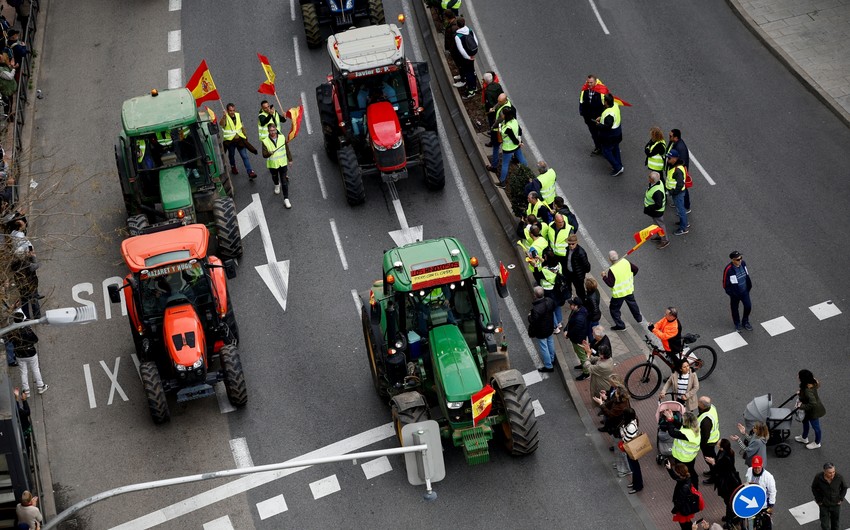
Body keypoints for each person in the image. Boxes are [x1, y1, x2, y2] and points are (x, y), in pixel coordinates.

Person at [7, 310, 47, 396]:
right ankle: (41, 386)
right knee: (35, 369)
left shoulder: (12, 331)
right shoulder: (27, 330)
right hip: (31, 352)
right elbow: (35, 340)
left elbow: (9, 340)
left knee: (23, 372)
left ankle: (26, 391)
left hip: (19, 354)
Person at [601, 250, 643, 331]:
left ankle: (620, 325)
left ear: (609, 259)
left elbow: (610, 284)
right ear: (618, 255)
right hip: (628, 289)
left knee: (614, 309)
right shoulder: (625, 261)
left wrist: (604, 277)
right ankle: (639, 319)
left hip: (618, 294)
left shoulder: (612, 270)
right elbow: (636, 269)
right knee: (633, 304)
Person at [704, 438, 741, 525]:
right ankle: (731, 517)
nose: (717, 442)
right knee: (728, 501)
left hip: (727, 484)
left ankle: (731, 520)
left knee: (729, 502)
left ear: (721, 447)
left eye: (719, 443)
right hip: (729, 481)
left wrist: (713, 463)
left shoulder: (725, 457)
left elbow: (719, 471)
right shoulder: (727, 452)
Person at [665, 411, 701, 489]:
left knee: (684, 473)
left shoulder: (687, 434)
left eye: (683, 419)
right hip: (689, 456)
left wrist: (669, 420)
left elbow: (672, 433)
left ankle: (689, 487)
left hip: (683, 458)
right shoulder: (693, 427)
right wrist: (672, 419)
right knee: (691, 471)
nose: (682, 420)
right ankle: (693, 485)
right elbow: (680, 425)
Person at [221, 103, 258, 179]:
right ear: (227, 111)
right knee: (231, 155)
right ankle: (233, 166)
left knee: (245, 156)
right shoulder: (225, 117)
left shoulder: (238, 115)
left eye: (233, 110)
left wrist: (245, 136)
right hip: (230, 141)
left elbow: (241, 125)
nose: (232, 112)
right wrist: (224, 117)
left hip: (240, 140)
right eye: (230, 111)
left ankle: (250, 172)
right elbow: (222, 124)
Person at [260, 123, 292, 208]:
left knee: (284, 181)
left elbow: (287, 149)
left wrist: (290, 159)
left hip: (282, 163)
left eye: (274, 130)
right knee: (275, 177)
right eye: (270, 131)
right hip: (273, 165)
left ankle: (286, 199)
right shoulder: (265, 141)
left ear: (276, 129)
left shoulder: (282, 137)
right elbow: (264, 154)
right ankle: (277, 185)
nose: (272, 132)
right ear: (268, 131)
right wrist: (269, 153)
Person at [795, 369, 826, 449]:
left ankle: (817, 442)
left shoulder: (808, 390)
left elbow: (813, 403)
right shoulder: (810, 383)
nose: (797, 376)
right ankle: (804, 437)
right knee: (805, 422)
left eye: (799, 375)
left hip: (813, 411)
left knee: (816, 427)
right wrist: (801, 393)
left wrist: (800, 406)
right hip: (808, 409)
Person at [527, 286, 556, 373]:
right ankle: (552, 358)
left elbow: (533, 320)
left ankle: (548, 365)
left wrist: (529, 316)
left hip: (541, 330)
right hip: (550, 326)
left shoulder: (536, 309)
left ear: (535, 295)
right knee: (550, 342)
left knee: (544, 347)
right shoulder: (549, 301)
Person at [496, 106, 527, 188]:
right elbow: (520, 131)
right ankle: (527, 173)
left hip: (508, 148)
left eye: (502, 114)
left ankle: (502, 182)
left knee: (505, 164)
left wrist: (518, 142)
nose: (501, 115)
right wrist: (520, 142)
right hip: (516, 146)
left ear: (505, 115)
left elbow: (512, 138)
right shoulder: (514, 121)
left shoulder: (507, 127)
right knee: (522, 159)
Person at [722, 250, 753, 331]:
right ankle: (737, 324)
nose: (740, 261)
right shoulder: (728, 269)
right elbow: (725, 283)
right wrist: (731, 293)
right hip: (735, 293)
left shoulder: (743, 263)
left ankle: (745, 322)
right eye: (738, 259)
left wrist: (748, 286)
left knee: (748, 306)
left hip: (745, 291)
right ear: (733, 260)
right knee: (735, 308)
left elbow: (747, 275)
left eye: (741, 258)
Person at [812, 463, 847, 530]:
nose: (832, 474)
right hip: (824, 504)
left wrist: (841, 498)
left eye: (833, 472)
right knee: (825, 525)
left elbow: (844, 487)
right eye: (830, 473)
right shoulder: (818, 477)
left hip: (835, 504)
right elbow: (814, 488)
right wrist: (818, 499)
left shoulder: (839, 477)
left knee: (835, 524)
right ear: (824, 471)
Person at [745, 455, 776, 530]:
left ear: (762, 465)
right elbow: (747, 481)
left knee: (766, 523)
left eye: (758, 467)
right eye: (755, 467)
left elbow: (772, 491)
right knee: (752, 521)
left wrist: (771, 505)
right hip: (752, 501)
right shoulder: (749, 470)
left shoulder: (768, 477)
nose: (756, 469)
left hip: (763, 504)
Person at [596, 94, 623, 176]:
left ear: (606, 102)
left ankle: (617, 168)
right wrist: (601, 118)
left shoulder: (609, 114)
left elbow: (608, 126)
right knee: (615, 148)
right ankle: (619, 164)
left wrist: (599, 124)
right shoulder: (615, 105)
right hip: (618, 133)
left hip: (611, 136)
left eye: (604, 101)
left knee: (606, 152)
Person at [666, 461, 698, 529]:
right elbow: (675, 477)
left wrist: (674, 511)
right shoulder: (686, 478)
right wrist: (670, 469)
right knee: (687, 522)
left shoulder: (684, 487)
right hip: (685, 507)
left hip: (683, 509)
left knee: (684, 525)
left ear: (680, 474)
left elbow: (680, 502)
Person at [486, 93, 513, 174]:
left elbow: (498, 121)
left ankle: (494, 166)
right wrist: (493, 108)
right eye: (498, 100)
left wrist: (492, 127)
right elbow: (498, 104)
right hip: (504, 128)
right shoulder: (506, 102)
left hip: (498, 130)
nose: (498, 102)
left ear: (504, 101)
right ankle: (514, 157)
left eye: (500, 101)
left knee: (496, 147)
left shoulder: (502, 113)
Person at [581, 330, 613, 398]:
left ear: (603, 355)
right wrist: (588, 351)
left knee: (600, 399)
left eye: (600, 353)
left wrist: (588, 355)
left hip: (601, 386)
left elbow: (587, 366)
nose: (598, 354)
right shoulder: (609, 359)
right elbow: (596, 358)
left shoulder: (602, 366)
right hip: (604, 382)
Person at [579, 75, 606, 155]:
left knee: (602, 133)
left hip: (599, 117)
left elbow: (606, 105)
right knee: (594, 134)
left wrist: (602, 117)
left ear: (595, 82)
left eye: (591, 82)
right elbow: (581, 101)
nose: (589, 84)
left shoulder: (601, 91)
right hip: (589, 117)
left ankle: (605, 148)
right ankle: (598, 147)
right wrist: (583, 113)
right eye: (588, 82)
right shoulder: (585, 90)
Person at [452, 18, 478, 100]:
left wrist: (468, 57)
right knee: (471, 71)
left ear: (457, 25)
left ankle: (471, 91)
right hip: (471, 55)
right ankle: (474, 86)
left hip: (465, 58)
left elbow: (461, 50)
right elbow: (476, 42)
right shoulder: (470, 30)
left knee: (469, 73)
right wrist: (473, 54)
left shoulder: (458, 36)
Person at [667, 128, 691, 212]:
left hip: (677, 171)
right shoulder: (674, 142)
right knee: (676, 186)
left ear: (676, 138)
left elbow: (683, 162)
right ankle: (678, 202)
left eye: (670, 136)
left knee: (682, 187)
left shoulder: (680, 148)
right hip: (673, 169)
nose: (669, 137)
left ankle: (686, 206)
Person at [643, 171, 670, 249]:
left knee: (660, 226)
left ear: (652, 180)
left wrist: (648, 208)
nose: (648, 178)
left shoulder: (657, 192)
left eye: (649, 177)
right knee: (657, 224)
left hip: (656, 212)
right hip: (654, 211)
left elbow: (658, 204)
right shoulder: (658, 182)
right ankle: (659, 235)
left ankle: (664, 240)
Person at [620, 407, 643, 493]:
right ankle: (635, 483)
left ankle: (638, 486)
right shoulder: (632, 422)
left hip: (631, 449)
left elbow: (626, 439)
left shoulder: (631, 427)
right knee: (634, 467)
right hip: (631, 448)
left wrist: (622, 433)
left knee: (635, 467)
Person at [565, 297, 589, 380]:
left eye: (571, 304)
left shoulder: (579, 318)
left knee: (582, 355)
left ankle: (586, 372)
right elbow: (570, 321)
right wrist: (566, 329)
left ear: (576, 306)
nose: (570, 306)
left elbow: (575, 329)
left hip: (578, 339)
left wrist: (567, 334)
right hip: (576, 338)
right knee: (580, 353)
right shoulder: (577, 310)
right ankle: (583, 365)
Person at [696, 396, 720, 482]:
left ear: (702, 405)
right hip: (713, 438)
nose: (697, 402)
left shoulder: (706, 420)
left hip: (708, 443)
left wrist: (701, 445)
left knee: (709, 458)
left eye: (699, 402)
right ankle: (713, 471)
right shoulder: (711, 407)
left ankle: (714, 477)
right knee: (712, 457)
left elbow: (705, 436)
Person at [666, 149, 689, 235]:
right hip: (677, 193)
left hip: (677, 193)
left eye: (669, 158)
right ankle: (683, 222)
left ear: (675, 159)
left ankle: (683, 228)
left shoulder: (677, 170)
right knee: (680, 209)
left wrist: (672, 192)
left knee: (680, 210)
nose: (668, 159)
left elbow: (680, 184)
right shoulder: (674, 166)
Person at [563, 234, 591, 302]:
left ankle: (582, 302)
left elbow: (587, 267)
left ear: (576, 243)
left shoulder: (581, 252)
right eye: (569, 244)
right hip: (568, 273)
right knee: (568, 287)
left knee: (580, 291)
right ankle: (570, 299)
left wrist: (581, 273)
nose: (571, 245)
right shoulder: (567, 249)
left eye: (573, 244)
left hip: (577, 276)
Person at [482, 71, 502, 148]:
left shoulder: (488, 91)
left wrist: (488, 111)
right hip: (500, 109)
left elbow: (489, 103)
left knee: (493, 127)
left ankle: (493, 141)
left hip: (493, 112)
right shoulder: (498, 85)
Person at [583, 277, 601, 342]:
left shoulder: (591, 297)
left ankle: (593, 346)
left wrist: (588, 315)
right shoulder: (596, 291)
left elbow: (595, 310)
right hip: (595, 317)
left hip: (592, 319)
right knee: (595, 332)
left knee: (591, 333)